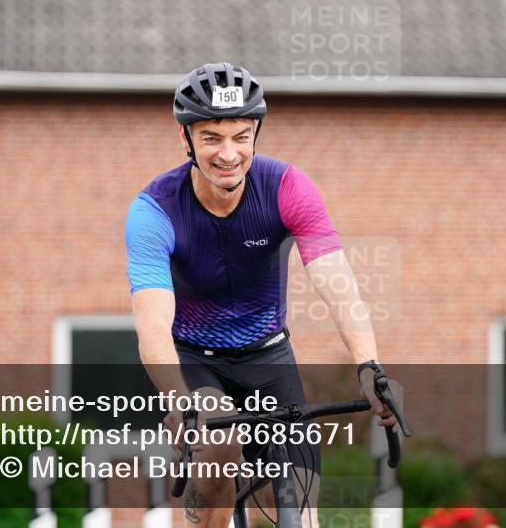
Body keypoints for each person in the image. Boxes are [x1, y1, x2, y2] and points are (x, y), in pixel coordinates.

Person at [125, 62, 399, 527]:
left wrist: (369, 366)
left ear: (256, 134)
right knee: (219, 442)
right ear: (186, 140)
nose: (228, 153)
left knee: (298, 509)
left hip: (268, 356)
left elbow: (338, 285)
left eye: (241, 136)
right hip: (195, 359)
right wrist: (178, 400)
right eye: (211, 138)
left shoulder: (288, 188)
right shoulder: (154, 210)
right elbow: (152, 326)